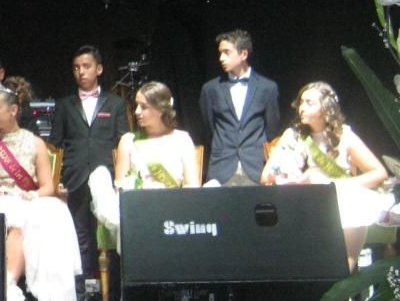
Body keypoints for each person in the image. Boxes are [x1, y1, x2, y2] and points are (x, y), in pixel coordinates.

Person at [0, 77, 83, 301]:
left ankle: (9, 283)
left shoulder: (35, 143)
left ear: (13, 110)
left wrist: (36, 195)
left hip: (25, 199)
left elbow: (48, 186)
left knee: (39, 213)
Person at [261, 82, 391, 272]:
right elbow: (266, 177)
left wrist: (334, 184)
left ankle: (342, 280)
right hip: (305, 203)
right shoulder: (292, 136)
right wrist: (284, 174)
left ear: (325, 107)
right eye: (301, 102)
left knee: (351, 213)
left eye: (309, 102)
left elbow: (379, 173)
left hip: (340, 200)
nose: (302, 107)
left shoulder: (344, 136)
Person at [48, 45, 129, 281]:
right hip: (75, 176)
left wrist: (120, 177)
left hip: (107, 177)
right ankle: (82, 291)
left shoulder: (114, 103)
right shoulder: (65, 105)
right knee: (80, 235)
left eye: (86, 66)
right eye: (76, 68)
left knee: (109, 235)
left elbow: (123, 140)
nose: (81, 72)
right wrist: (57, 180)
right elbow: (55, 143)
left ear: (99, 69)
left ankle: (112, 292)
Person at [89, 81, 201, 251]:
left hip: (174, 213)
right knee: (99, 176)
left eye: (143, 107)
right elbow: (121, 189)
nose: (136, 112)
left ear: (161, 108)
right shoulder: (128, 141)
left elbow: (193, 186)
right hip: (137, 212)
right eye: (136, 106)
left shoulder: (182, 139)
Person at [200, 29, 280, 185]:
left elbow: (272, 127)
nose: (221, 58)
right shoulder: (210, 89)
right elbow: (209, 127)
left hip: (256, 168)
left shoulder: (267, 87)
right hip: (222, 168)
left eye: (226, 52)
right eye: (220, 53)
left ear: (243, 54)